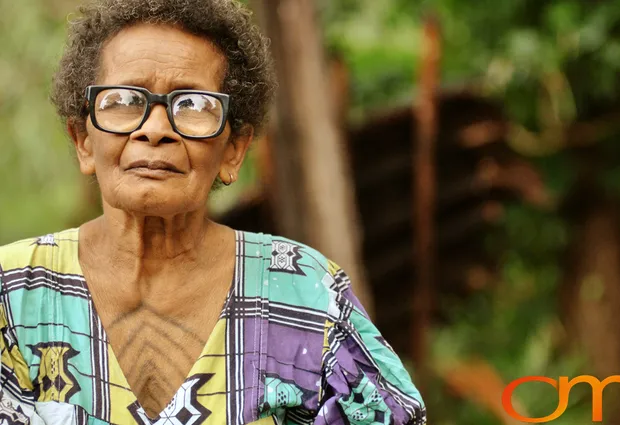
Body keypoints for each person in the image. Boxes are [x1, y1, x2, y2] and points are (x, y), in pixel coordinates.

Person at [0, 0, 427, 424]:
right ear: (83, 141)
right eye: (125, 100)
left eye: (193, 106)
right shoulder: (13, 292)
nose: (154, 130)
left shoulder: (306, 294)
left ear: (234, 150)